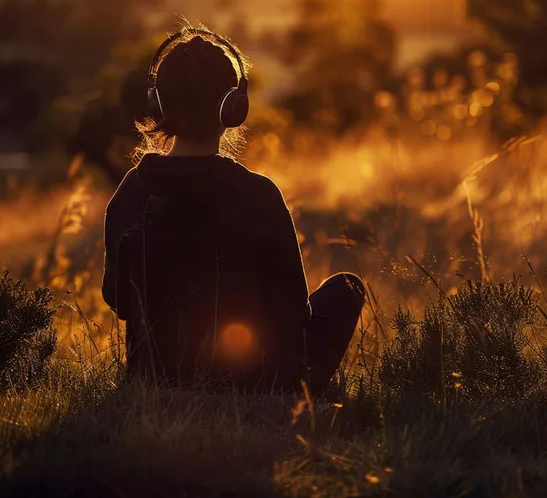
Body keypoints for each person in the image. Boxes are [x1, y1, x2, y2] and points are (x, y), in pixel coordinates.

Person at [102, 25, 365, 395]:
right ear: (233, 107)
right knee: (346, 289)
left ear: (156, 103)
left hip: (158, 380)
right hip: (258, 382)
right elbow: (294, 314)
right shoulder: (259, 195)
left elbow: (119, 301)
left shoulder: (131, 190)